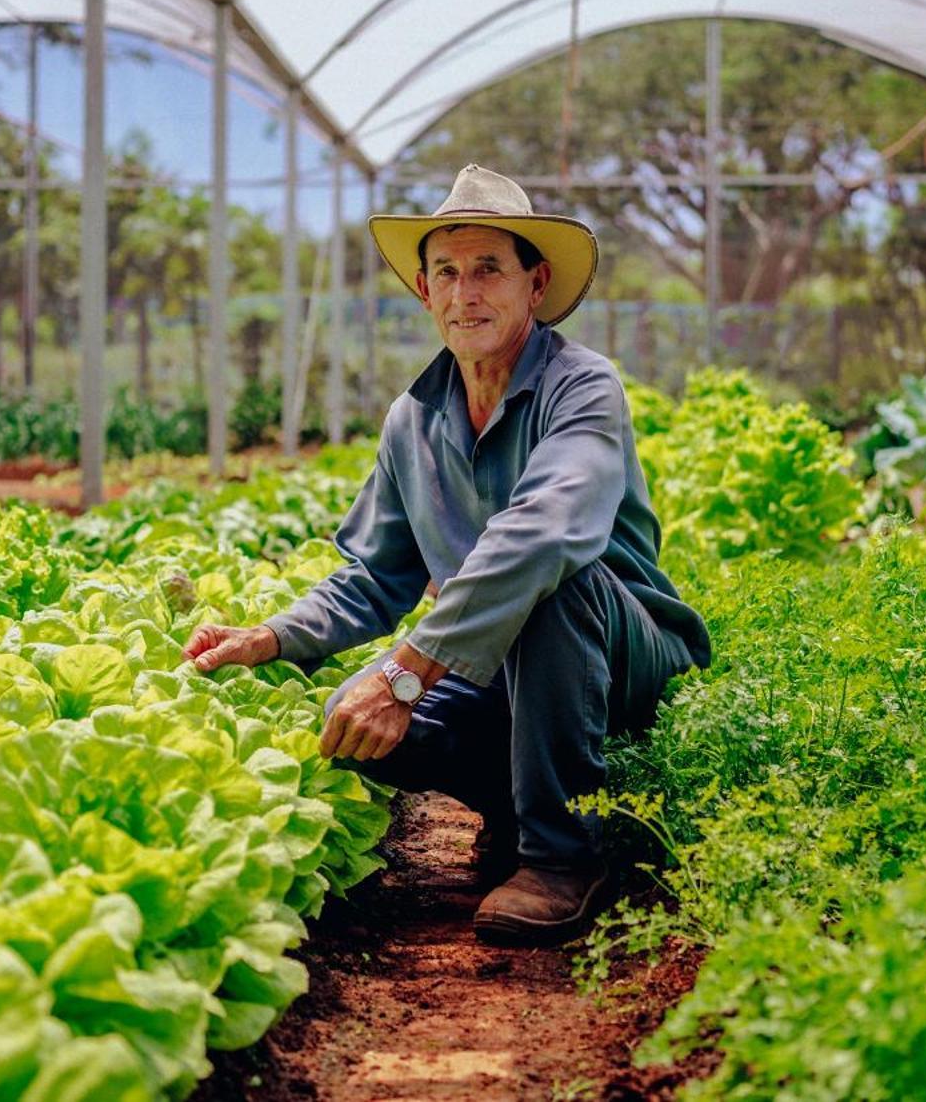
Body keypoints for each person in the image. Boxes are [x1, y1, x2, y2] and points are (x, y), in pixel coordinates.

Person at [182, 164, 710, 946]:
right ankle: (521, 801)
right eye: (448, 272)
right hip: (498, 667)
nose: (467, 291)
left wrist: (406, 670)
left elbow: (543, 535)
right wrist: (269, 635)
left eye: (489, 269)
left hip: (621, 653)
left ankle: (566, 857)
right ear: (426, 294)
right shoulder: (413, 418)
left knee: (547, 584)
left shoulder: (584, 387)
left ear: (534, 284)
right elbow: (374, 573)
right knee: (346, 720)